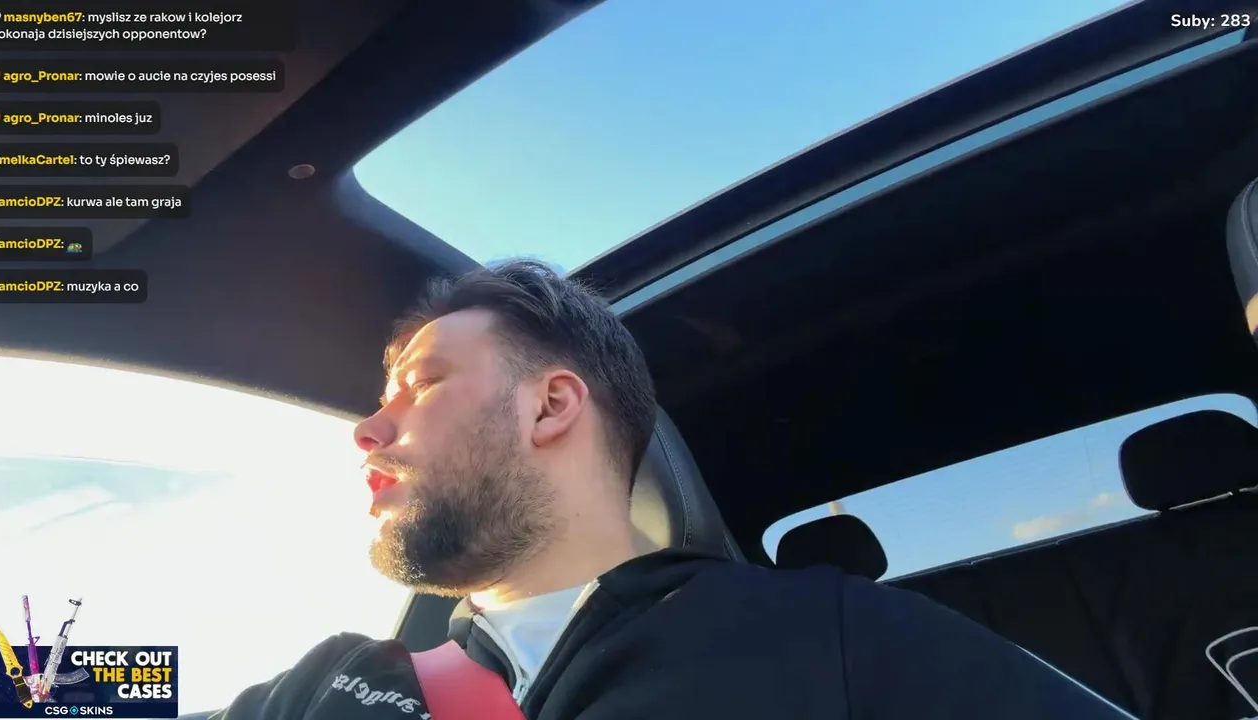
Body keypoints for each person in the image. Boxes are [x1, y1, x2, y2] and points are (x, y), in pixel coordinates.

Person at [202, 259, 1133, 719]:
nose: (368, 428)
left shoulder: (828, 637)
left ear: (550, 406)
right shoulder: (333, 682)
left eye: (422, 383)